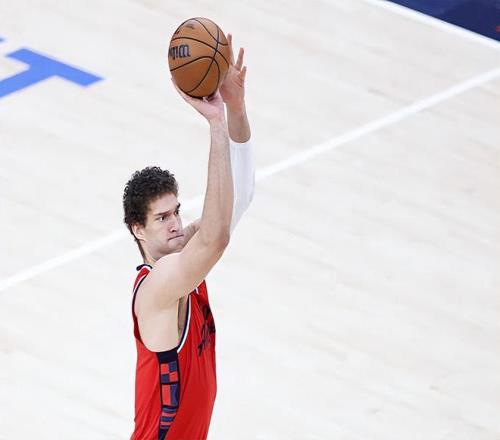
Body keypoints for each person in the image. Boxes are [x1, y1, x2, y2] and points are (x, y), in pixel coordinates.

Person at [122, 34, 254, 440]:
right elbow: (215, 238)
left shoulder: (184, 259)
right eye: (162, 218)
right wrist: (215, 124)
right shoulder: (158, 286)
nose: (176, 224)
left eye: (177, 212)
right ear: (138, 229)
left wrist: (235, 108)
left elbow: (238, 200)